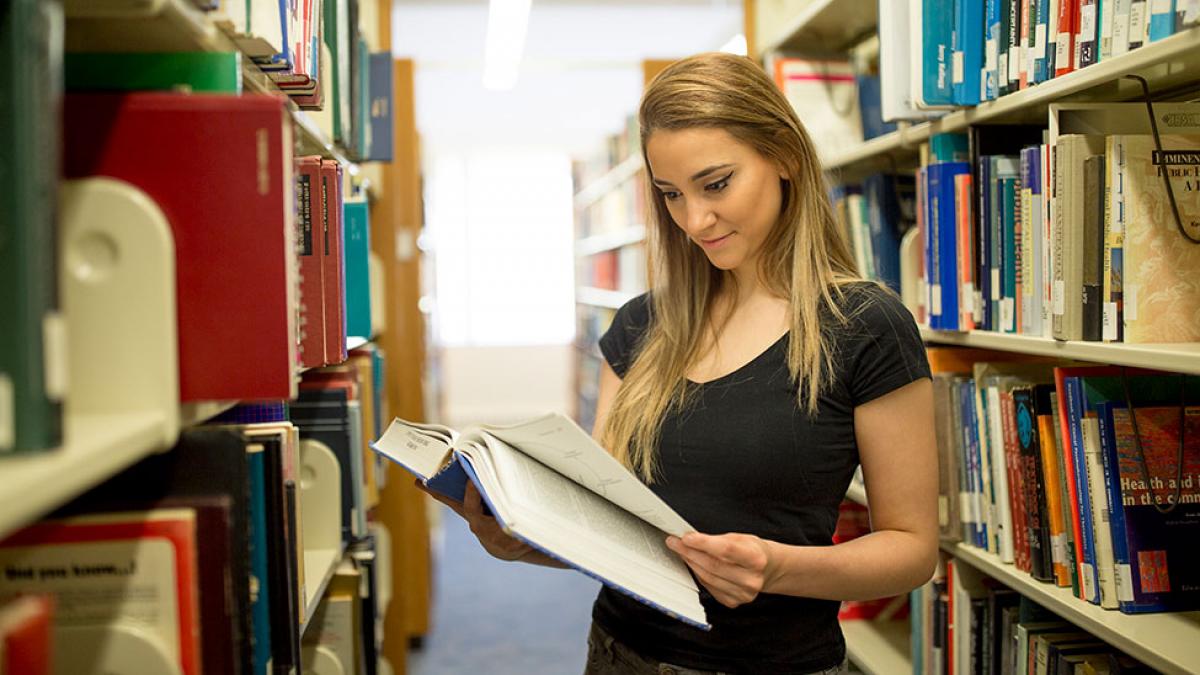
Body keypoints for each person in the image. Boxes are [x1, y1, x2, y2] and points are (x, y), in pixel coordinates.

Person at [427, 52, 938, 675]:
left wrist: (779, 568)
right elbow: (609, 527)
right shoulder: (640, 326)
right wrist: (522, 541)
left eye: (716, 183)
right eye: (671, 195)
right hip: (618, 653)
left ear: (784, 156)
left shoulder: (865, 328)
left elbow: (911, 550)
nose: (694, 220)